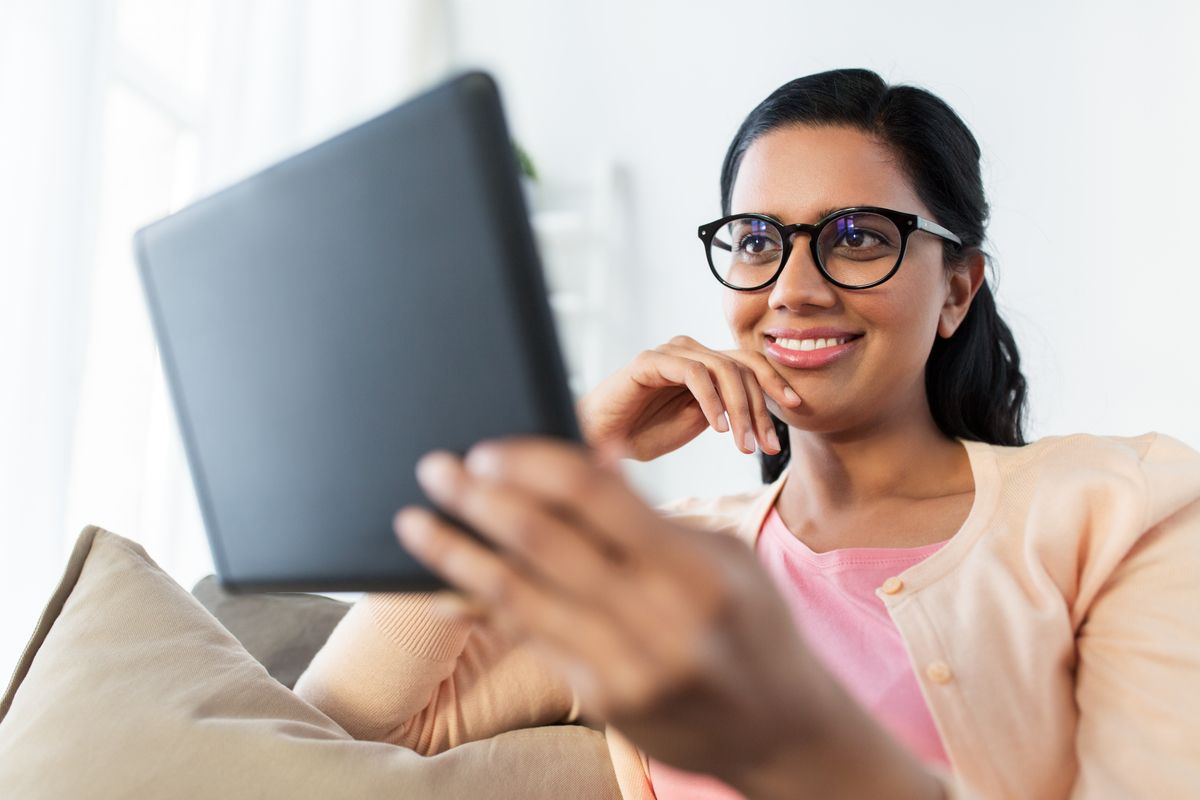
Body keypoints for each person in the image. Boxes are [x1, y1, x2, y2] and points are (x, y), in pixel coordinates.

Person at [293, 68, 1200, 799]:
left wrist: (787, 740)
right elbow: (337, 731)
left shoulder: (1126, 508)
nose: (793, 288)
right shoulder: (657, 570)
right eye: (757, 239)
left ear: (958, 288)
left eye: (855, 236)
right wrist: (555, 453)